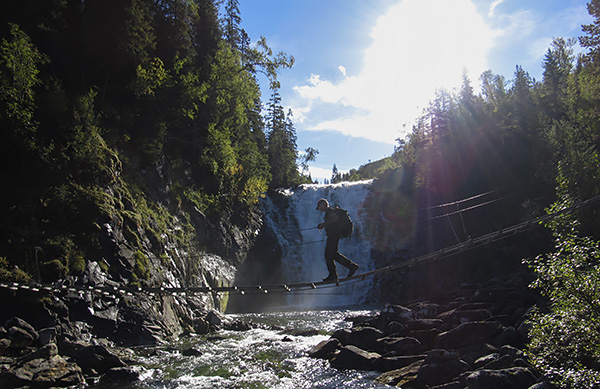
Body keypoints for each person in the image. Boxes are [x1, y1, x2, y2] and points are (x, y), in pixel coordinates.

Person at [316, 198, 359, 282]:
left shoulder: (329, 210)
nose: (319, 209)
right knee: (333, 254)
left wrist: (323, 224)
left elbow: (335, 219)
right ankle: (350, 267)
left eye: (319, 207)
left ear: (322, 204)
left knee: (328, 255)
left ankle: (334, 275)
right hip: (335, 235)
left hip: (333, 235)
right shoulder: (331, 210)